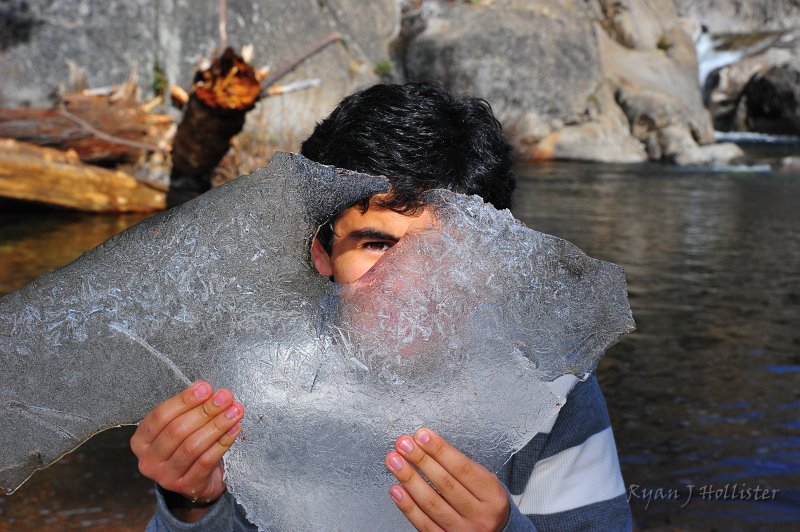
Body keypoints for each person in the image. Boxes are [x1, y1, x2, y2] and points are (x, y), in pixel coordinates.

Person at [133, 83, 631, 531]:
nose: (408, 281)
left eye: (443, 250)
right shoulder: (256, 378)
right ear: (322, 252)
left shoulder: (552, 388)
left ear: (492, 258)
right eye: (376, 245)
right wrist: (193, 504)